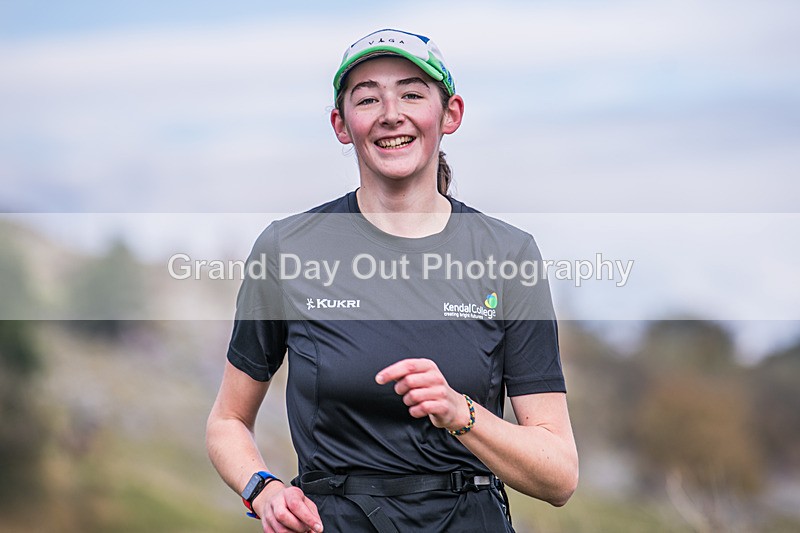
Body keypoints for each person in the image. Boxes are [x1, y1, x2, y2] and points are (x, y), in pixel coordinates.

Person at [206, 28, 579, 532]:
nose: (390, 113)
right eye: (367, 99)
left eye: (411, 93)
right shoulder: (288, 250)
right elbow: (227, 421)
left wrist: (459, 412)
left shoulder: (508, 254)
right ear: (342, 124)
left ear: (450, 115)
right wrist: (263, 489)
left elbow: (559, 475)